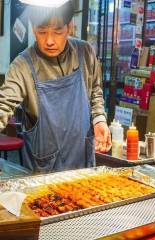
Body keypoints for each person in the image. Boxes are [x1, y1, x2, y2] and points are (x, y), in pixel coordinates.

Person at [0, 1, 111, 173]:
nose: (49, 41)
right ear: (32, 28)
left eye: (58, 31)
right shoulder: (22, 66)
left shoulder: (85, 52)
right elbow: (3, 105)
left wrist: (99, 120)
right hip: (42, 170)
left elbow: (95, 92)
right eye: (42, 31)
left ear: (69, 27)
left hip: (83, 165)